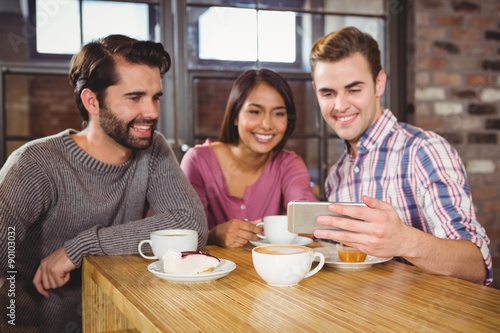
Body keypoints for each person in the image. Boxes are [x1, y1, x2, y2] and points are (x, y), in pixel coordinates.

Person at [0, 35, 208, 332]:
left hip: (121, 319)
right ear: (92, 101)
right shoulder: (35, 163)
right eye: (135, 98)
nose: (152, 112)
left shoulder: (153, 148)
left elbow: (191, 226)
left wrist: (81, 247)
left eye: (155, 97)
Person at [309, 26, 492, 285]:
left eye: (354, 89)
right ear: (316, 90)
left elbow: (476, 266)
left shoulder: (424, 150)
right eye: (328, 93)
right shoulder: (336, 175)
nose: (340, 106)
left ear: (379, 83)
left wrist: (403, 241)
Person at [180, 69, 317, 248]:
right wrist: (213, 235)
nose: (267, 125)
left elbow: (308, 221)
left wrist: (301, 225)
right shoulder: (197, 161)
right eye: (255, 112)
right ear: (235, 116)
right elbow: (184, 231)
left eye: (278, 114)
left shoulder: (289, 164)